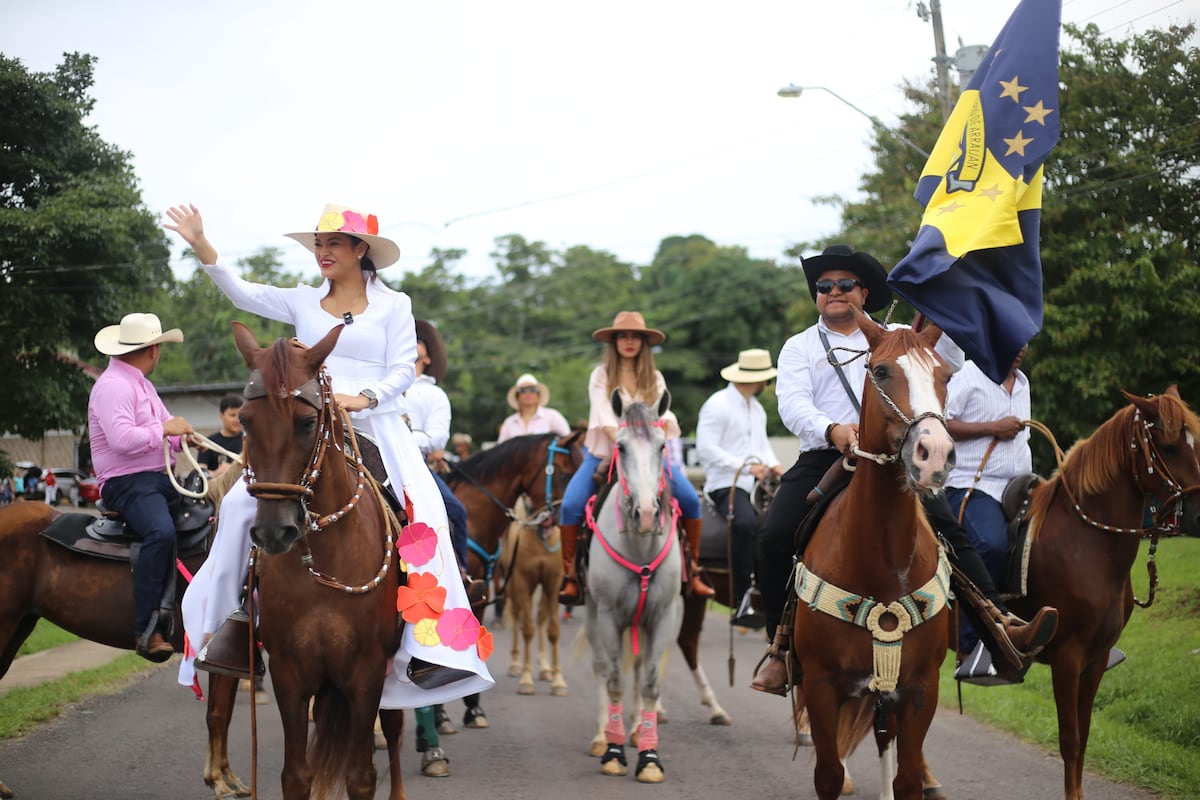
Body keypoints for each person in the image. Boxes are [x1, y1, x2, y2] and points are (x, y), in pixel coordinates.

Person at [165, 202, 493, 706]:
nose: (322, 252)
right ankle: (231, 626)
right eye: (318, 244)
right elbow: (243, 292)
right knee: (234, 508)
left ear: (360, 250)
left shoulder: (395, 305)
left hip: (376, 424)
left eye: (332, 244)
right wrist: (202, 244)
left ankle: (424, 640)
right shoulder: (301, 301)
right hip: (307, 424)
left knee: (431, 511)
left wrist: (361, 399)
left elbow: (404, 368)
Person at [749, 244, 1055, 696]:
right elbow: (792, 404)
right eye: (824, 286)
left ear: (864, 291)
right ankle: (782, 649)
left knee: (953, 533)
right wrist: (831, 428)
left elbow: (942, 363)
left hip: (894, 460)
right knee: (774, 537)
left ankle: (1000, 629)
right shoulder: (800, 346)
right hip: (826, 455)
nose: (834, 292)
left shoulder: (898, 333)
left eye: (844, 285)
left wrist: (949, 290)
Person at [557, 311, 714, 604]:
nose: (629, 342)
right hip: (605, 451)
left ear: (643, 343)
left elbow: (664, 414)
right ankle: (570, 578)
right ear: (614, 342)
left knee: (691, 501)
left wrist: (650, 436)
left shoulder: (654, 377)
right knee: (570, 505)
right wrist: (625, 438)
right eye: (623, 336)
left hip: (648, 456)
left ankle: (692, 571)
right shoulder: (600, 375)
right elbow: (604, 413)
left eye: (635, 337)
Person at [88, 312, 194, 662]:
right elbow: (121, 440)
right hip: (126, 482)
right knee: (161, 533)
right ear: (153, 350)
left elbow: (167, 426)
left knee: (206, 520)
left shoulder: (141, 384)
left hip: (155, 478)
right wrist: (165, 432)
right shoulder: (113, 386)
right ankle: (146, 629)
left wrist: (186, 439)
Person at [944, 348, 1037, 683]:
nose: (1020, 349)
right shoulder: (967, 375)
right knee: (991, 545)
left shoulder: (1023, 383)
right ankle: (969, 647)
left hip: (1020, 486)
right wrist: (991, 427)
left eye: (1024, 342)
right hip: (971, 485)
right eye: (1012, 341)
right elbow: (940, 424)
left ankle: (1080, 636)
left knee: (1059, 543)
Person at [695, 348, 784, 628]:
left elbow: (762, 447)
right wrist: (746, 467)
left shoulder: (755, 409)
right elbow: (706, 449)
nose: (766, 385)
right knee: (745, 523)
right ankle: (741, 596)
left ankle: (771, 592)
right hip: (725, 484)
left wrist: (776, 466)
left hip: (753, 484)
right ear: (758, 380)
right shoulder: (717, 404)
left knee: (779, 523)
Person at [497, 374, 571, 443]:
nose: (528, 394)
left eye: (533, 390)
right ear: (517, 396)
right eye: (523, 390)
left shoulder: (553, 417)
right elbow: (500, 451)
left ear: (538, 395)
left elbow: (568, 441)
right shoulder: (509, 423)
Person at [198, 394, 244, 476]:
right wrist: (217, 473)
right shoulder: (208, 443)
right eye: (232, 415)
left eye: (240, 415)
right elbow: (200, 473)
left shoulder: (249, 441)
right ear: (221, 416)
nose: (237, 420)